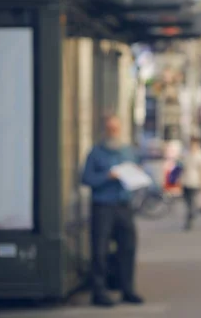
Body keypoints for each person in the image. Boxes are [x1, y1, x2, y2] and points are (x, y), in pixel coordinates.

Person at [82, 116, 144, 307]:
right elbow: (87, 179)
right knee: (99, 250)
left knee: (128, 247)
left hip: (123, 205)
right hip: (103, 206)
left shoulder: (127, 151)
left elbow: (136, 172)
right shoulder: (96, 152)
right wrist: (107, 176)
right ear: (104, 130)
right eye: (110, 128)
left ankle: (127, 289)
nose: (113, 132)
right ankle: (99, 293)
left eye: (116, 128)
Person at [182, 133, 201, 230]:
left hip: (196, 182)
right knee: (187, 202)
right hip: (185, 181)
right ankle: (190, 215)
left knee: (192, 202)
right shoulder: (186, 153)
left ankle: (190, 217)